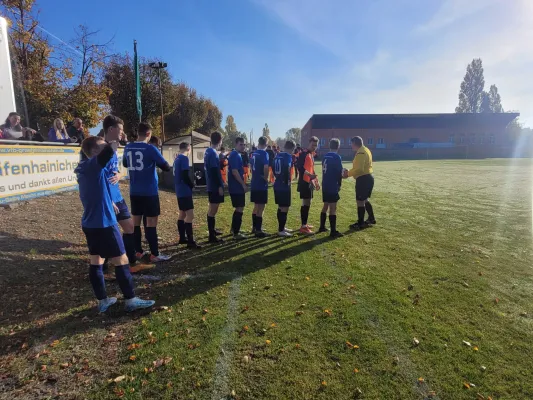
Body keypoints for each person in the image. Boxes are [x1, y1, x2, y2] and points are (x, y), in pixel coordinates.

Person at [75, 136, 155, 313]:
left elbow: (92, 191)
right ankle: (130, 299)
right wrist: (116, 140)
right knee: (122, 259)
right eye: (102, 147)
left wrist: (108, 201)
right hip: (104, 223)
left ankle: (103, 301)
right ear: (95, 152)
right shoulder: (94, 165)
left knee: (96, 260)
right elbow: (108, 152)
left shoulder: (83, 168)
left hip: (90, 222)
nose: (106, 150)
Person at [123, 122, 172, 262]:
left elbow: (126, 164)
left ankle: (138, 251)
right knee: (151, 223)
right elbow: (166, 167)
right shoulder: (150, 148)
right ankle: (154, 254)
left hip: (134, 191)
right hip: (149, 191)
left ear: (137, 132)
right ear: (149, 134)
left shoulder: (128, 147)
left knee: (136, 222)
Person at [343, 136, 376, 230]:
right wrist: (350, 171)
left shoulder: (361, 152)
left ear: (355, 143)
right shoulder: (366, 149)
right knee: (365, 199)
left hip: (363, 179)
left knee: (360, 201)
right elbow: (360, 167)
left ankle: (360, 223)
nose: (351, 146)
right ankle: (371, 218)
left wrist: (347, 174)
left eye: (351, 144)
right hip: (368, 177)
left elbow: (359, 169)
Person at [173, 142, 201, 249]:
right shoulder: (184, 158)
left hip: (179, 190)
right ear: (188, 149)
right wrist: (192, 185)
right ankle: (190, 241)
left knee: (182, 214)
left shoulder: (176, 159)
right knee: (190, 215)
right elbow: (185, 175)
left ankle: (182, 238)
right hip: (184, 190)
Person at [319, 139, 344, 238]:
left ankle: (322, 226)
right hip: (332, 185)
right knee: (333, 208)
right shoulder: (337, 157)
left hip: (325, 184)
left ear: (329, 146)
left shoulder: (325, 156)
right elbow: (340, 172)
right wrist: (339, 184)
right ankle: (333, 231)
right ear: (338, 146)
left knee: (325, 205)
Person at [204, 131, 225, 243]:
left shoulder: (208, 151)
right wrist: (219, 186)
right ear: (220, 140)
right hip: (214, 186)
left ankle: (212, 230)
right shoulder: (212, 153)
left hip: (211, 185)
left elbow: (213, 167)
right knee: (213, 209)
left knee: (212, 209)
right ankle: (212, 236)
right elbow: (213, 170)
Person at [296, 137, 319, 235]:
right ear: (308, 143)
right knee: (306, 202)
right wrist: (309, 175)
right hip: (304, 182)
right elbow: (299, 167)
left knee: (308, 202)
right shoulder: (304, 154)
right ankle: (303, 226)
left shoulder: (311, 154)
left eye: (316, 146)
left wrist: (316, 181)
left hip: (309, 182)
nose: (314, 147)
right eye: (312, 145)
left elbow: (312, 169)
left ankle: (304, 224)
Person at [228, 137, 249, 240]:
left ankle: (234, 229)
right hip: (236, 187)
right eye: (241, 144)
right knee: (240, 208)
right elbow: (235, 172)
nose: (243, 146)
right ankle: (236, 233)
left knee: (238, 208)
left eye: (244, 144)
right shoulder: (235, 155)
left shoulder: (236, 154)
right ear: (236, 144)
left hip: (235, 187)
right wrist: (243, 184)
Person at [274, 140, 296, 237]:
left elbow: (273, 168)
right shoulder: (287, 156)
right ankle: (281, 229)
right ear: (292, 148)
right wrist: (288, 181)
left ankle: (281, 227)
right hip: (283, 186)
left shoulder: (278, 155)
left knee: (280, 206)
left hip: (277, 184)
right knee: (285, 207)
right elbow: (287, 169)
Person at [250, 136, 270, 238]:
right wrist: (266, 178)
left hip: (254, 183)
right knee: (261, 207)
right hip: (261, 184)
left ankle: (254, 227)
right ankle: (258, 230)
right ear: (266, 144)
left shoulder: (254, 153)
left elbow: (250, 167)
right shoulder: (264, 153)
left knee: (256, 206)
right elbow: (266, 167)